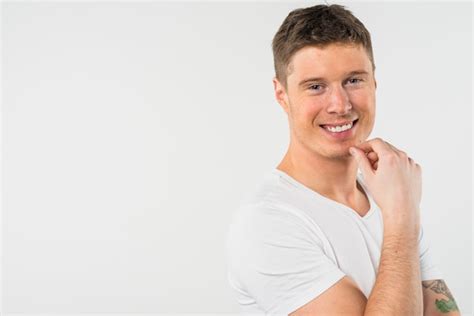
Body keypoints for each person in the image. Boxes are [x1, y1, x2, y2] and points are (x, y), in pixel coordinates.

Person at [226, 3, 461, 315]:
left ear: (374, 82)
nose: (339, 105)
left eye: (353, 80)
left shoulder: (387, 194)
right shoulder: (267, 223)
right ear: (281, 94)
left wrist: (400, 213)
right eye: (316, 86)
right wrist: (403, 219)